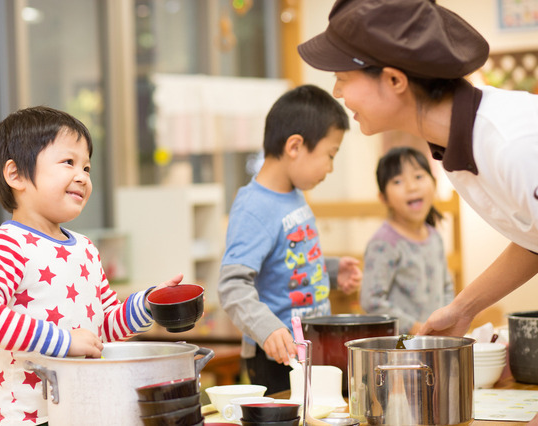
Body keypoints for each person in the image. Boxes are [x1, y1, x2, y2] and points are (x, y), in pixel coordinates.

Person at [297, 0, 538, 347]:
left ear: (394, 80)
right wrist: (462, 308)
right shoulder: (453, 143)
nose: (337, 92)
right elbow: (534, 239)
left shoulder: (511, 145)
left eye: (342, 78)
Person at [0, 106, 183, 426]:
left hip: (84, 414)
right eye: (68, 162)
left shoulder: (86, 249)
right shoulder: (9, 243)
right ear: (16, 174)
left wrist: (148, 304)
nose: (82, 176)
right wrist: (64, 342)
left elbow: (102, 331)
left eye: (87, 167)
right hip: (28, 420)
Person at [218, 84, 363, 395]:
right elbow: (232, 287)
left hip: (310, 344)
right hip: (276, 355)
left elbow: (289, 259)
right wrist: (268, 329)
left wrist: (332, 271)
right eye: (330, 155)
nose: (330, 167)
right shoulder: (253, 207)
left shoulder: (293, 195)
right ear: (295, 146)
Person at [360, 146, 454, 334]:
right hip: (401, 345)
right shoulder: (384, 243)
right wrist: (415, 328)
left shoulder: (434, 237)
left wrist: (449, 320)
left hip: (434, 340)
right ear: (383, 198)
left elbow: (446, 286)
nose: (412, 187)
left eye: (419, 177)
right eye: (398, 181)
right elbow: (372, 301)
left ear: (434, 184)